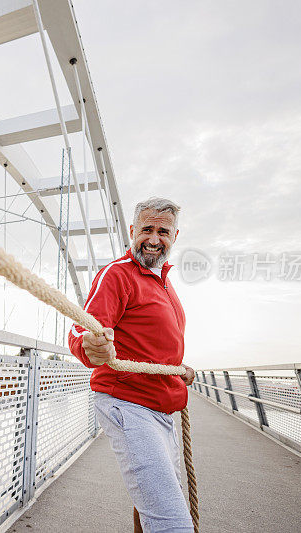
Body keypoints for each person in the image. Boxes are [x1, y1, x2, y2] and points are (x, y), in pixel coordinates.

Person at [68, 197, 195, 533]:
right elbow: (82, 328)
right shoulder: (118, 274)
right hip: (129, 403)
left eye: (163, 231)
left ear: (175, 236)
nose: (154, 239)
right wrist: (90, 347)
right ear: (132, 231)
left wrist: (181, 371)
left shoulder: (164, 281)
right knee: (172, 519)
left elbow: (156, 344)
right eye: (147, 229)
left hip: (162, 407)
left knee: (154, 502)